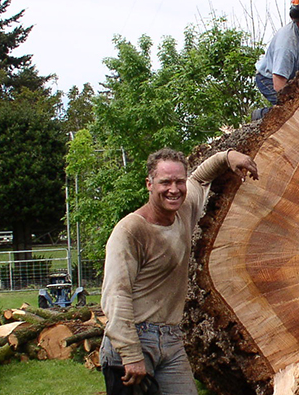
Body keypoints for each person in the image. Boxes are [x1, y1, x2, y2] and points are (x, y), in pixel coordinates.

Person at [100, 148, 259, 395]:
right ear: (149, 184)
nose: (174, 189)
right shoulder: (130, 232)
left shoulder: (183, 212)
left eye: (178, 181)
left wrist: (227, 157)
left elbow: (199, 179)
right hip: (133, 338)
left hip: (171, 338)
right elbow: (115, 296)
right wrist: (130, 354)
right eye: (165, 182)